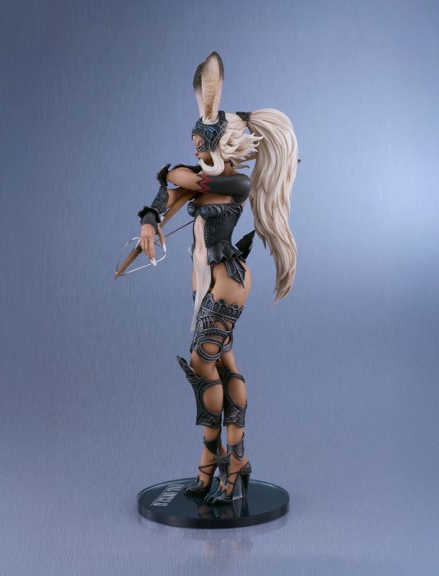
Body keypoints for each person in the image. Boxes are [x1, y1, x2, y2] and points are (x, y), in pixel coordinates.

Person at [137, 52, 298, 504]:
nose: (194, 151)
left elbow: (188, 181)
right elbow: (170, 190)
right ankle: (229, 463)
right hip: (205, 281)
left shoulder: (236, 184)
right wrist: (149, 219)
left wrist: (174, 174)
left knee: (201, 363)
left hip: (227, 278)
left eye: (199, 144)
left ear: (219, 145)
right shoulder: (200, 176)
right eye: (192, 143)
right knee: (223, 363)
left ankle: (220, 457)